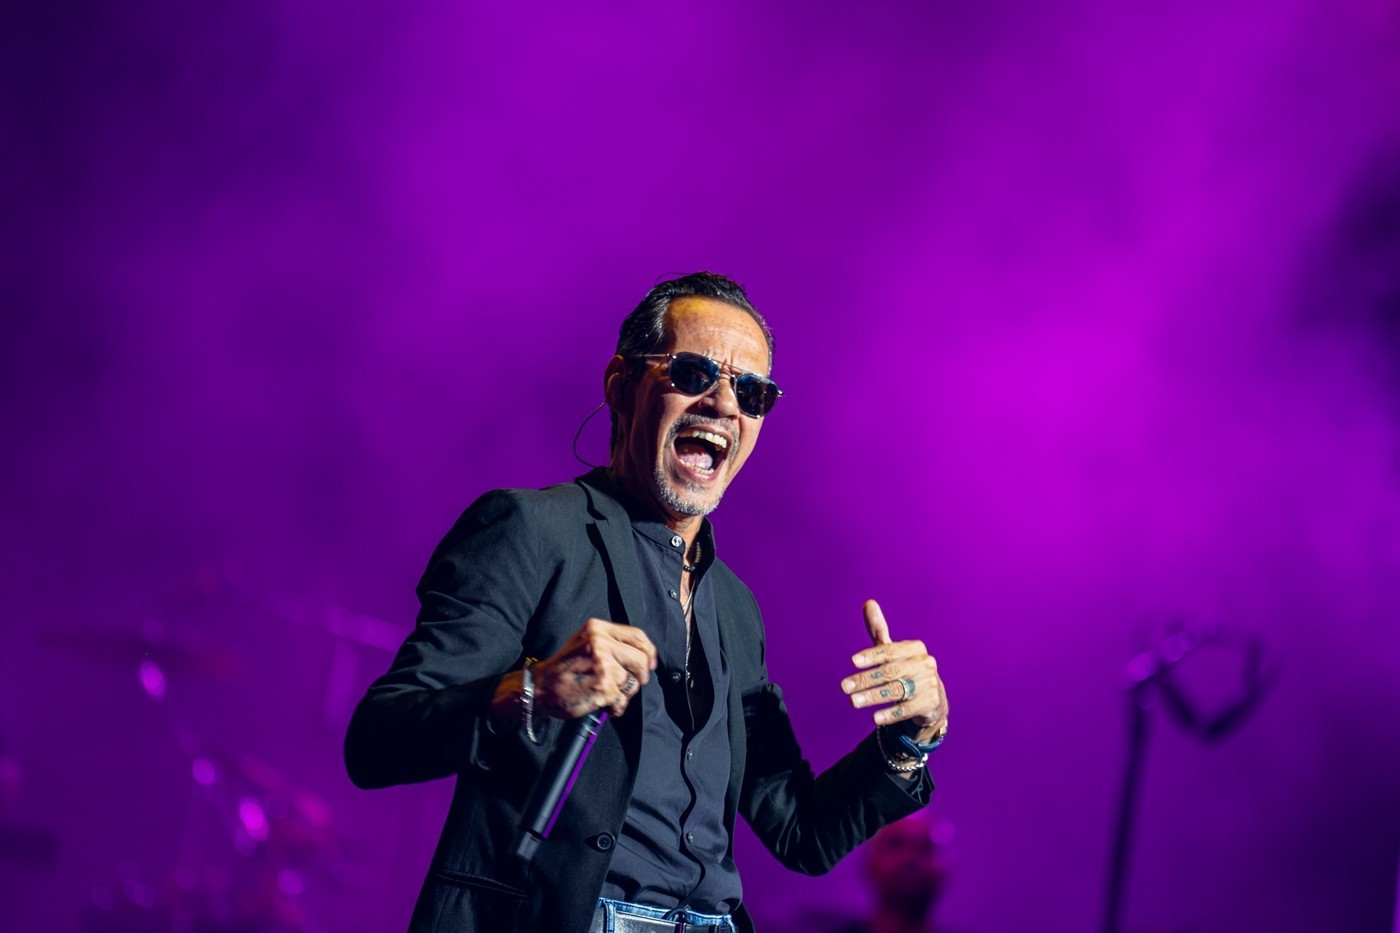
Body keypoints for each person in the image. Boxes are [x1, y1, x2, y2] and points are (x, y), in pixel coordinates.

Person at [344, 272, 951, 933]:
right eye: (693, 373)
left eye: (752, 392)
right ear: (621, 384)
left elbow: (800, 828)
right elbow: (378, 739)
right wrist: (534, 692)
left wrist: (907, 742)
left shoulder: (735, 608)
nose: (724, 403)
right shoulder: (530, 531)